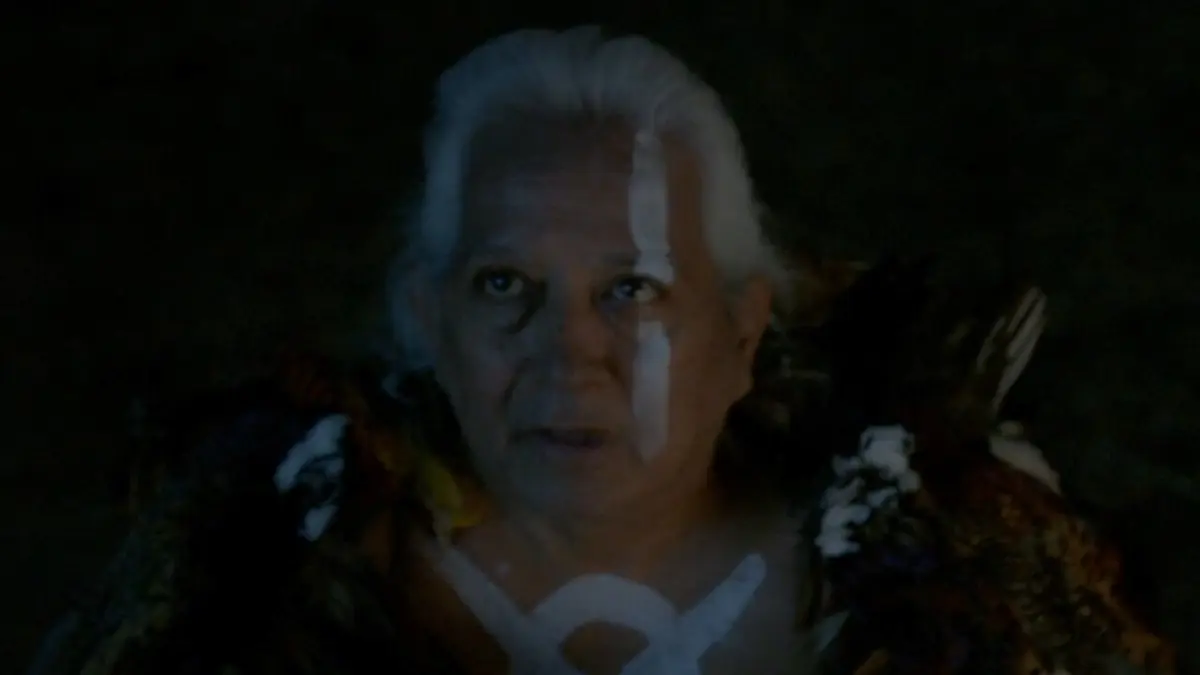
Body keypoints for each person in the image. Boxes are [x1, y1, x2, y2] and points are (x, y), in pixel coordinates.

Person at [29, 26, 1175, 675]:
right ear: (429, 318)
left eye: (633, 289)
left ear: (740, 332)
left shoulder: (964, 568)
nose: (569, 356)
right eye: (504, 287)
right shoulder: (249, 565)